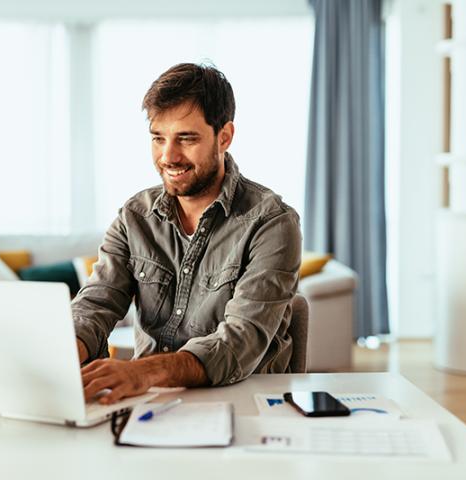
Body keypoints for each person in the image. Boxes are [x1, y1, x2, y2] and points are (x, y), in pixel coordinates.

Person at [72, 63, 301, 405]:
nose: (168, 156)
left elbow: (241, 340)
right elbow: (96, 303)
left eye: (186, 138)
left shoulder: (271, 222)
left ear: (224, 136)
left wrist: (143, 372)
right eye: (158, 138)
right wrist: (61, 356)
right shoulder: (135, 215)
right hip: (150, 404)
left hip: (242, 404)